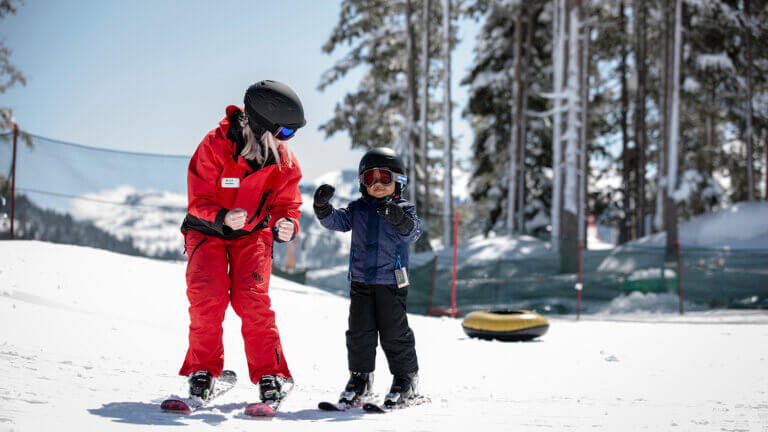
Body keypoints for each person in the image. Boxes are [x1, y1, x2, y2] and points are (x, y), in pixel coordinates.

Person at [178, 80, 304, 403]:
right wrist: (220, 216)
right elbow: (197, 197)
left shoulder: (283, 160)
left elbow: (287, 203)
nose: (287, 140)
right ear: (263, 124)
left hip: (252, 233)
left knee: (251, 300)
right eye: (285, 132)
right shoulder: (215, 146)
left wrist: (286, 223)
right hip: (207, 231)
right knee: (208, 296)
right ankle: (203, 371)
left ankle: (271, 373)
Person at [313, 148, 423, 407]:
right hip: (361, 283)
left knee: (394, 333)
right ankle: (360, 379)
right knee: (359, 333)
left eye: (384, 177)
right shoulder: (358, 208)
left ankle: (405, 380)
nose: (376, 184)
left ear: (398, 181)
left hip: (392, 284)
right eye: (369, 178)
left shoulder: (404, 209)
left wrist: (400, 220)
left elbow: (413, 233)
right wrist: (322, 208)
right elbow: (337, 222)